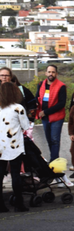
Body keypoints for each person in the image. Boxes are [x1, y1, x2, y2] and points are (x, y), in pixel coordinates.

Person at [0, 82, 30, 212]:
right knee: (16, 174)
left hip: (0, 146)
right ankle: (19, 203)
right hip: (14, 146)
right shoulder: (18, 108)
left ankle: (1, 205)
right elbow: (26, 126)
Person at [35, 65, 67, 161]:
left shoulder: (61, 86)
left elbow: (62, 103)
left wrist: (46, 112)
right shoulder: (41, 84)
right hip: (45, 117)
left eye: (53, 72)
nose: (51, 74)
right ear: (46, 73)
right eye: (49, 72)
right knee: (49, 140)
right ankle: (53, 159)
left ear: (56, 74)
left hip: (56, 117)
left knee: (55, 140)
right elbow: (37, 97)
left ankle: (54, 161)